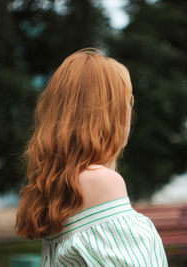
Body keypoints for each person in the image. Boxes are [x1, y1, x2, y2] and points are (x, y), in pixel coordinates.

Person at [15, 48, 168, 266]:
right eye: (126, 103)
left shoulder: (61, 185)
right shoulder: (101, 181)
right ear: (108, 115)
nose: (130, 114)